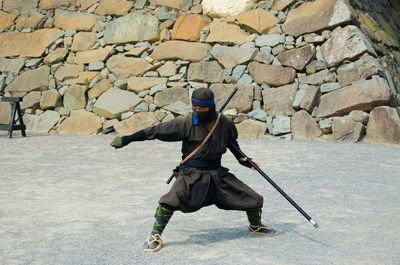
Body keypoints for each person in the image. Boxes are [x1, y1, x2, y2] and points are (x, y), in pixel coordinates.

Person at [110, 88, 277, 252]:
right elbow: (154, 131)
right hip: (191, 174)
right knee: (171, 199)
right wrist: (127, 139)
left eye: (201, 108)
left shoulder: (225, 124)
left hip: (217, 174)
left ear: (210, 106)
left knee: (252, 197)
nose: (197, 111)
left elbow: (235, 149)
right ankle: (155, 235)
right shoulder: (185, 122)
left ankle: (255, 226)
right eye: (194, 108)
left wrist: (246, 161)